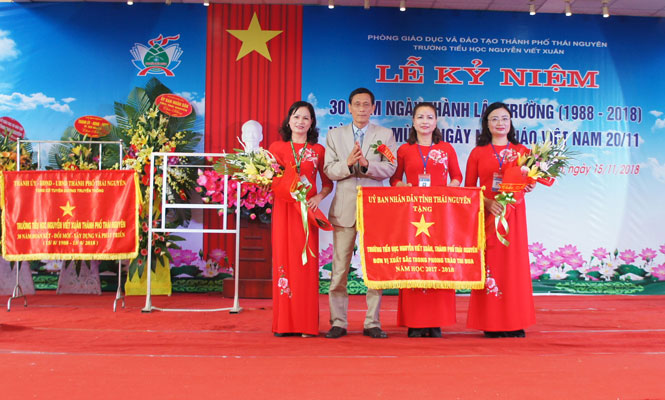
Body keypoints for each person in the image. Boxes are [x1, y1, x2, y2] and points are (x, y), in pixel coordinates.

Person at [323, 88, 397, 339]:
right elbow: (329, 170)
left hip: (375, 210)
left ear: (373, 108)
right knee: (339, 270)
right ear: (349, 107)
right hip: (344, 210)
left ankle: (372, 322)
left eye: (366, 104)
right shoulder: (334, 135)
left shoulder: (385, 135)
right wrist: (347, 163)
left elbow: (391, 167)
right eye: (357, 104)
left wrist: (367, 165)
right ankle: (338, 322)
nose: (362, 108)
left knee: (375, 269)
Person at [389, 102, 462, 338]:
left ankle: (436, 321)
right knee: (415, 262)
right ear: (413, 121)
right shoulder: (404, 150)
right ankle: (415, 321)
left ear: (436, 121)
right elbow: (394, 179)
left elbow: (457, 176)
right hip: (413, 214)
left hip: (440, 214)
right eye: (420, 117)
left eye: (429, 117)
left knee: (438, 262)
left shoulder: (446, 148)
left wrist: (448, 190)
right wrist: (403, 187)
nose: (425, 121)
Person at [464, 102, 536, 338]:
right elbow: (468, 189)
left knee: (514, 267)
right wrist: (486, 203)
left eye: (504, 118)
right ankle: (492, 323)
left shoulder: (522, 151)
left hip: (513, 216)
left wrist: (529, 185)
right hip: (489, 215)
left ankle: (516, 321)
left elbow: (529, 182)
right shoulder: (478, 153)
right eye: (494, 119)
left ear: (511, 123)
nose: (500, 123)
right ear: (486, 124)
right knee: (491, 265)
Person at [269, 101, 333, 338]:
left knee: (305, 266)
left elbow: (328, 184)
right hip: (284, 210)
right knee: (284, 261)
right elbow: (269, 178)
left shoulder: (318, 150)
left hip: (306, 212)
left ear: (312, 122)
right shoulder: (276, 148)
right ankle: (284, 324)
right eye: (296, 117)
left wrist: (318, 197)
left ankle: (306, 325)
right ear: (289, 121)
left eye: (306, 118)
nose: (300, 122)